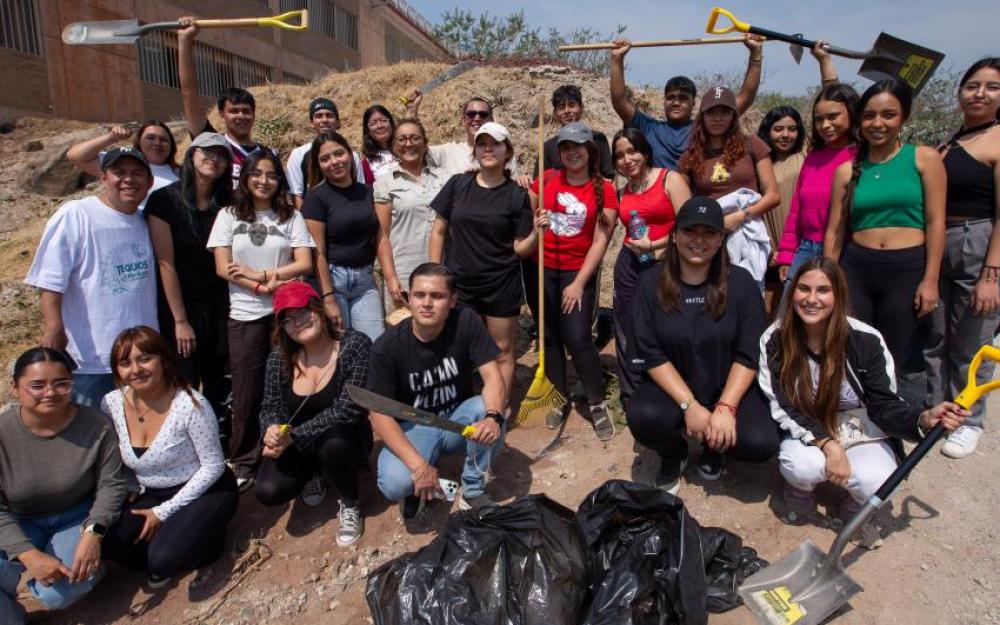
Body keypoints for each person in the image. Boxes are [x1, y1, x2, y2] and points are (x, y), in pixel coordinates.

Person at [759, 258, 968, 546]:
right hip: (809, 422)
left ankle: (853, 505)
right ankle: (799, 490)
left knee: (880, 483)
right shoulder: (776, 338)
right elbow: (782, 404)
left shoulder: (866, 340)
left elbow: (884, 404)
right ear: (792, 291)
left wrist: (922, 419)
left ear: (839, 295)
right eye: (804, 288)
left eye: (823, 290)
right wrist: (829, 445)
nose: (811, 299)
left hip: (860, 423)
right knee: (799, 465)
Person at [625, 197, 779, 494]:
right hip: (675, 388)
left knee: (760, 441)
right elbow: (650, 353)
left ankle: (715, 446)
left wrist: (726, 407)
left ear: (721, 239)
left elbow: (749, 353)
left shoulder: (742, 283)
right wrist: (690, 405)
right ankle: (674, 453)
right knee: (643, 416)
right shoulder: (650, 283)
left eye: (709, 232)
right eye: (690, 231)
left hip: (726, 386)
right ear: (674, 235)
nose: (699, 240)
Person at [207, 151, 315, 490]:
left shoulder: (290, 215)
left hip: (285, 313)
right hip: (245, 315)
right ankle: (244, 460)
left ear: (280, 180)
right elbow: (223, 267)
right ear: (245, 177)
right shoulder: (228, 215)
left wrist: (265, 276)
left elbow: (304, 263)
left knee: (291, 383)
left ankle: (294, 451)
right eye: (257, 174)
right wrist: (259, 286)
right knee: (247, 391)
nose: (263, 181)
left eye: (271, 175)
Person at [100, 327, 238, 587]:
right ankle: (180, 538)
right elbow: (115, 455)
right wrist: (130, 485)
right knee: (107, 541)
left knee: (163, 560)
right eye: (125, 363)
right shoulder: (111, 404)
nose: (136, 369)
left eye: (145, 359)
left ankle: (209, 535)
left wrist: (163, 512)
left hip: (205, 489)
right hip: (153, 492)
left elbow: (213, 466)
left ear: (163, 359)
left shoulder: (191, 405)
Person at [367, 262, 506, 517]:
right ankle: (428, 486)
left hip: (457, 420)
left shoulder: (465, 321)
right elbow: (379, 414)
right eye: (419, 295)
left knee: (488, 409)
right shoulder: (387, 348)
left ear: (453, 300)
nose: (427, 303)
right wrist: (418, 466)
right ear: (409, 299)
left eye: (437, 296)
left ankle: (472, 489)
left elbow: (493, 376)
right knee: (394, 484)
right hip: (414, 427)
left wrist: (492, 417)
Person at [824, 79, 946, 367]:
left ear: (904, 117)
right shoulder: (846, 171)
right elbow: (835, 231)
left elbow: (935, 222)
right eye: (869, 116)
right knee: (851, 350)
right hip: (857, 269)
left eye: (888, 115)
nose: (877, 123)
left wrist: (930, 280)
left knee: (892, 357)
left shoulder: (924, 159)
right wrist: (829, 279)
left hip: (906, 270)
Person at [0, 348, 127, 624]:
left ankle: (91, 571)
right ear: (15, 388)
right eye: (37, 385)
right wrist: (28, 555)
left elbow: (112, 484)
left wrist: (94, 533)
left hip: (76, 517)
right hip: (17, 519)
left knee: (61, 591)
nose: (50, 392)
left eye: (61, 383)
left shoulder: (96, 425)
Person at [26, 146, 159, 409]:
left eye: (137, 173)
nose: (128, 179)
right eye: (120, 172)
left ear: (150, 181)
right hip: (91, 360)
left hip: (141, 359)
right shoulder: (76, 214)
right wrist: (54, 328)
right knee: (90, 428)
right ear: (103, 177)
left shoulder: (147, 221)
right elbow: (50, 280)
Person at [255, 282, 372, 547]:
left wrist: (294, 436)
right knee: (269, 490)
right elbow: (269, 406)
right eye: (288, 320)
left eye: (303, 312)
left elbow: (347, 410)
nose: (298, 322)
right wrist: (270, 430)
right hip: (296, 442)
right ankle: (312, 474)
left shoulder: (355, 346)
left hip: (343, 436)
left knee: (335, 445)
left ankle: (350, 501)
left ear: (318, 308)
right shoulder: (278, 358)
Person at [429, 122, 537, 403]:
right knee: (460, 350)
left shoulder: (517, 195)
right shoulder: (458, 184)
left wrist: (537, 234)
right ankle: (462, 408)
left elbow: (520, 250)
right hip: (460, 285)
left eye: (495, 144)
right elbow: (438, 231)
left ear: (507, 152)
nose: (488, 149)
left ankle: (498, 412)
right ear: (475, 151)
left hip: (501, 285)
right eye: (482, 144)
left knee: (501, 352)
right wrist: (435, 273)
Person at [924, 58, 1000, 459]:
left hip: (979, 239)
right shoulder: (953, 139)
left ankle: (969, 420)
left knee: (972, 339)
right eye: (972, 86)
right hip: (941, 241)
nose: (979, 94)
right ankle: (940, 411)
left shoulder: (997, 139)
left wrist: (991, 275)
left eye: (992, 87)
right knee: (936, 336)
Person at [528, 122, 619, 440]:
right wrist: (535, 218)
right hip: (542, 268)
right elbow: (530, 200)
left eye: (577, 146)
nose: (571, 152)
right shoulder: (547, 179)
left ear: (590, 151)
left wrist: (579, 283)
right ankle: (559, 397)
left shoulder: (605, 189)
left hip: (577, 272)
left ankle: (596, 402)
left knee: (578, 338)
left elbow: (600, 242)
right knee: (549, 338)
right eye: (565, 147)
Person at [145, 132, 233, 418]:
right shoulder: (164, 201)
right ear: (191, 155)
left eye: (221, 155)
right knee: (184, 381)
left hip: (222, 303)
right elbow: (165, 263)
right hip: (181, 305)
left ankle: (219, 435)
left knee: (220, 378)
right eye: (207, 152)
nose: (214, 159)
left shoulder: (229, 202)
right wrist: (180, 321)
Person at [611, 128, 691, 406]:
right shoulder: (620, 193)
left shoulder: (670, 179)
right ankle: (632, 394)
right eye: (619, 155)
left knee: (670, 328)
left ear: (645, 152)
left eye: (632, 151)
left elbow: (689, 228)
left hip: (669, 265)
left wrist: (654, 245)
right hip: (630, 267)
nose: (627, 159)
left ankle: (676, 392)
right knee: (627, 328)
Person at [610, 36, 763, 171]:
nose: (676, 102)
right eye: (671, 97)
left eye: (683, 98)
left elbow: (746, 97)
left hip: (697, 194)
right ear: (664, 101)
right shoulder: (649, 128)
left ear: (693, 103)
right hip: (661, 193)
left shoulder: (704, 126)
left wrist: (755, 53)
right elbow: (619, 102)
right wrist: (617, 59)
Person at [678, 86, 780, 289]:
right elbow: (684, 203)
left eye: (724, 112)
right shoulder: (691, 156)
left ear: (734, 115)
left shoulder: (752, 144)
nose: (718, 118)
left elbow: (773, 195)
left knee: (746, 291)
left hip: (747, 230)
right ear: (702, 116)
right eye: (711, 112)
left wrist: (740, 217)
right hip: (709, 235)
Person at [303, 132, 388, 341]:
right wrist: (328, 298)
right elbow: (318, 253)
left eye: (339, 154)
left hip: (365, 280)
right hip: (333, 281)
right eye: (325, 158)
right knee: (341, 346)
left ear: (350, 154)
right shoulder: (315, 198)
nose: (334, 162)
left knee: (374, 343)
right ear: (318, 165)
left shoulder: (369, 192)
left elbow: (381, 237)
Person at [775, 83, 859, 282]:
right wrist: (787, 254)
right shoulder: (813, 157)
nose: (825, 125)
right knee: (792, 299)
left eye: (833, 117)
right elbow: (796, 210)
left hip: (846, 250)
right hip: (806, 248)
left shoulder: (862, 157)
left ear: (852, 113)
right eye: (819, 119)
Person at [178, 17, 274, 186]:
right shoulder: (212, 143)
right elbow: (189, 93)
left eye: (246, 111)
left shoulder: (268, 155)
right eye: (234, 111)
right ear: (222, 113)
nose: (241, 116)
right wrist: (185, 40)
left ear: (254, 115)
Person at [374, 118, 448, 310]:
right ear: (394, 146)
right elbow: (382, 236)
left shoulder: (445, 178)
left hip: (442, 268)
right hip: (404, 270)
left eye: (415, 138)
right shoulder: (385, 183)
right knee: (404, 325)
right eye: (402, 139)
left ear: (425, 142)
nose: (408, 144)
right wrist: (391, 277)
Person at [65, 121, 179, 209]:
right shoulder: (120, 162)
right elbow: (76, 156)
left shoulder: (180, 172)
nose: (157, 143)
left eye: (163, 139)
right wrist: (112, 137)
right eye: (151, 138)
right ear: (139, 142)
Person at [409, 94, 520, 177]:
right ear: (463, 120)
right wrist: (412, 112)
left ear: (491, 120)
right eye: (471, 114)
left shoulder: (501, 153)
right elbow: (417, 150)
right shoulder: (448, 153)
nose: (477, 118)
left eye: (483, 114)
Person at [287, 98, 368, 206]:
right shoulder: (298, 154)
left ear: (338, 122)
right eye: (319, 116)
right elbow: (296, 195)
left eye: (329, 115)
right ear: (311, 123)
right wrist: (307, 216)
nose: (324, 120)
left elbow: (359, 188)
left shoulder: (352, 155)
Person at [537, 85, 615, 179]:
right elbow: (539, 182)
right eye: (561, 107)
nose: (567, 111)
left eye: (572, 105)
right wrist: (524, 180)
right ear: (555, 113)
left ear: (581, 108)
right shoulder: (547, 148)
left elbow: (609, 176)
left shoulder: (598, 139)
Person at [360, 104, 397, 181]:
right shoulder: (366, 162)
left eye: (384, 121)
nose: (379, 126)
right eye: (373, 123)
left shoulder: (405, 148)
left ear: (391, 123)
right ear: (367, 130)